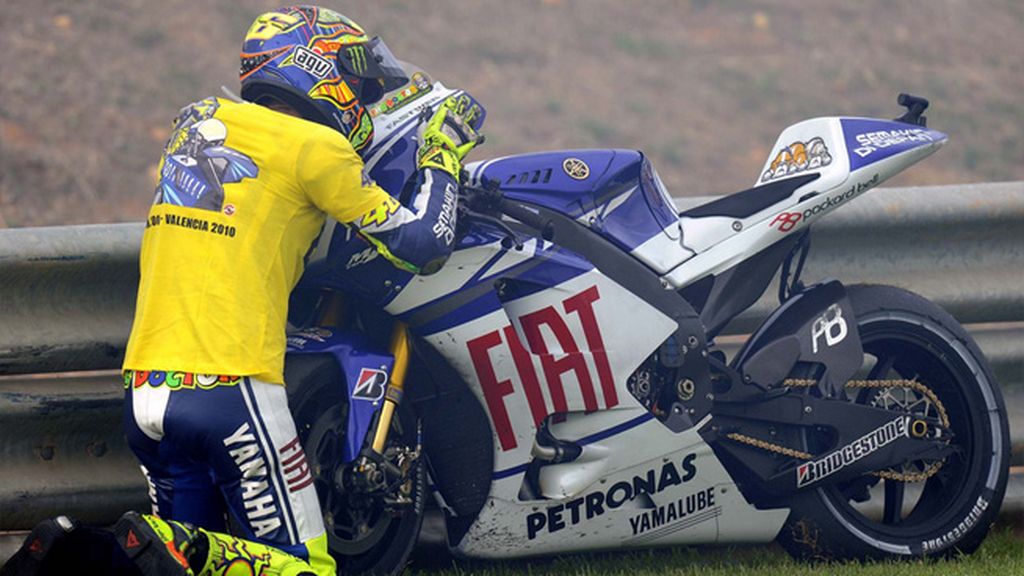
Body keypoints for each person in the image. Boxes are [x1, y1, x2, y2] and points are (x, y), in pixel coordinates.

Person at [2, 5, 480, 576]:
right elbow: (423, 243)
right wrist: (441, 150)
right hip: (231, 388)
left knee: (173, 559)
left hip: (146, 388)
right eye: (354, 76)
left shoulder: (196, 120)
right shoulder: (316, 149)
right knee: (306, 568)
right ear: (315, 66)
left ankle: (74, 555)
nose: (361, 93)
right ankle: (151, 552)